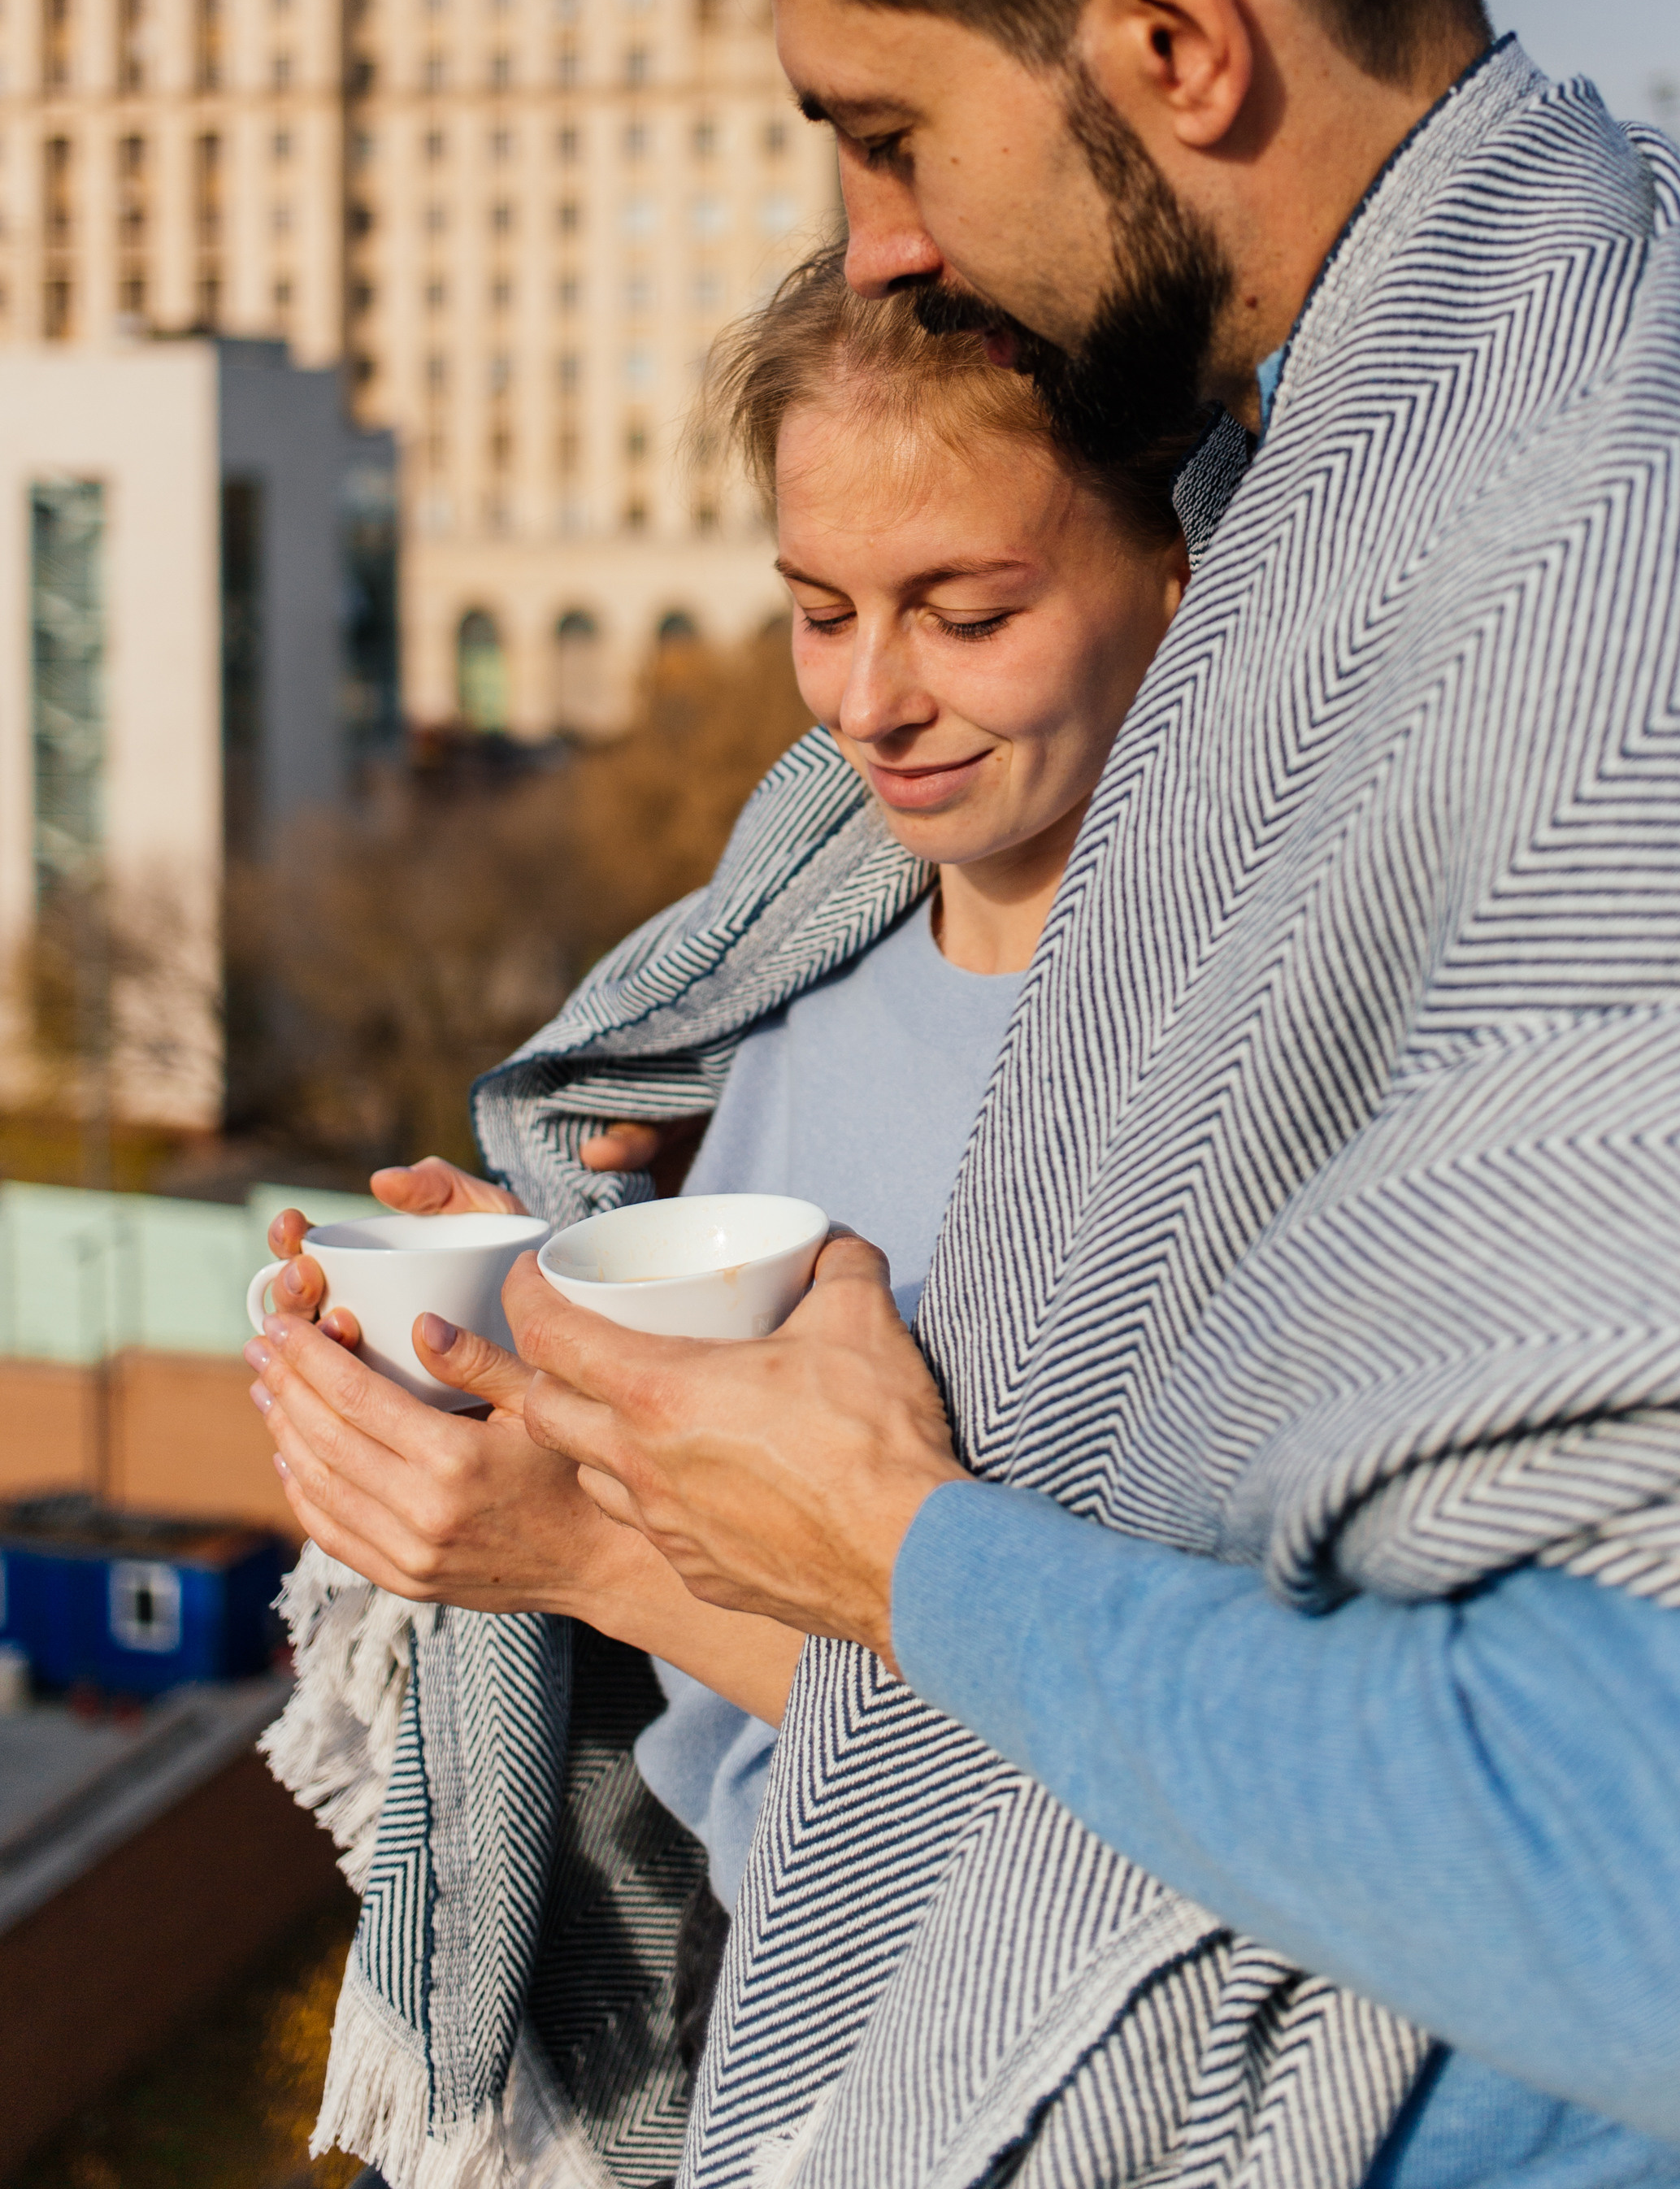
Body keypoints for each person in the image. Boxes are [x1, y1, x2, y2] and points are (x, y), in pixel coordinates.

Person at [463, 0, 1680, 2189]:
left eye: (885, 134)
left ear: (1169, 32)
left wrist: (901, 1544)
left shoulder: (1645, 625)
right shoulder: (1529, 416)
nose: (881, 248)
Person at [246, 245, 1188, 2184]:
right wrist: (503, 1331)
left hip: (1033, 2078)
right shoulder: (776, 979)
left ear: (1183, 568)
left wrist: (573, 1559)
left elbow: (1137, 1772)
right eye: (820, 608)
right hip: (752, 2033)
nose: (869, 698)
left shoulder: (1208, 1068)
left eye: (968, 610)